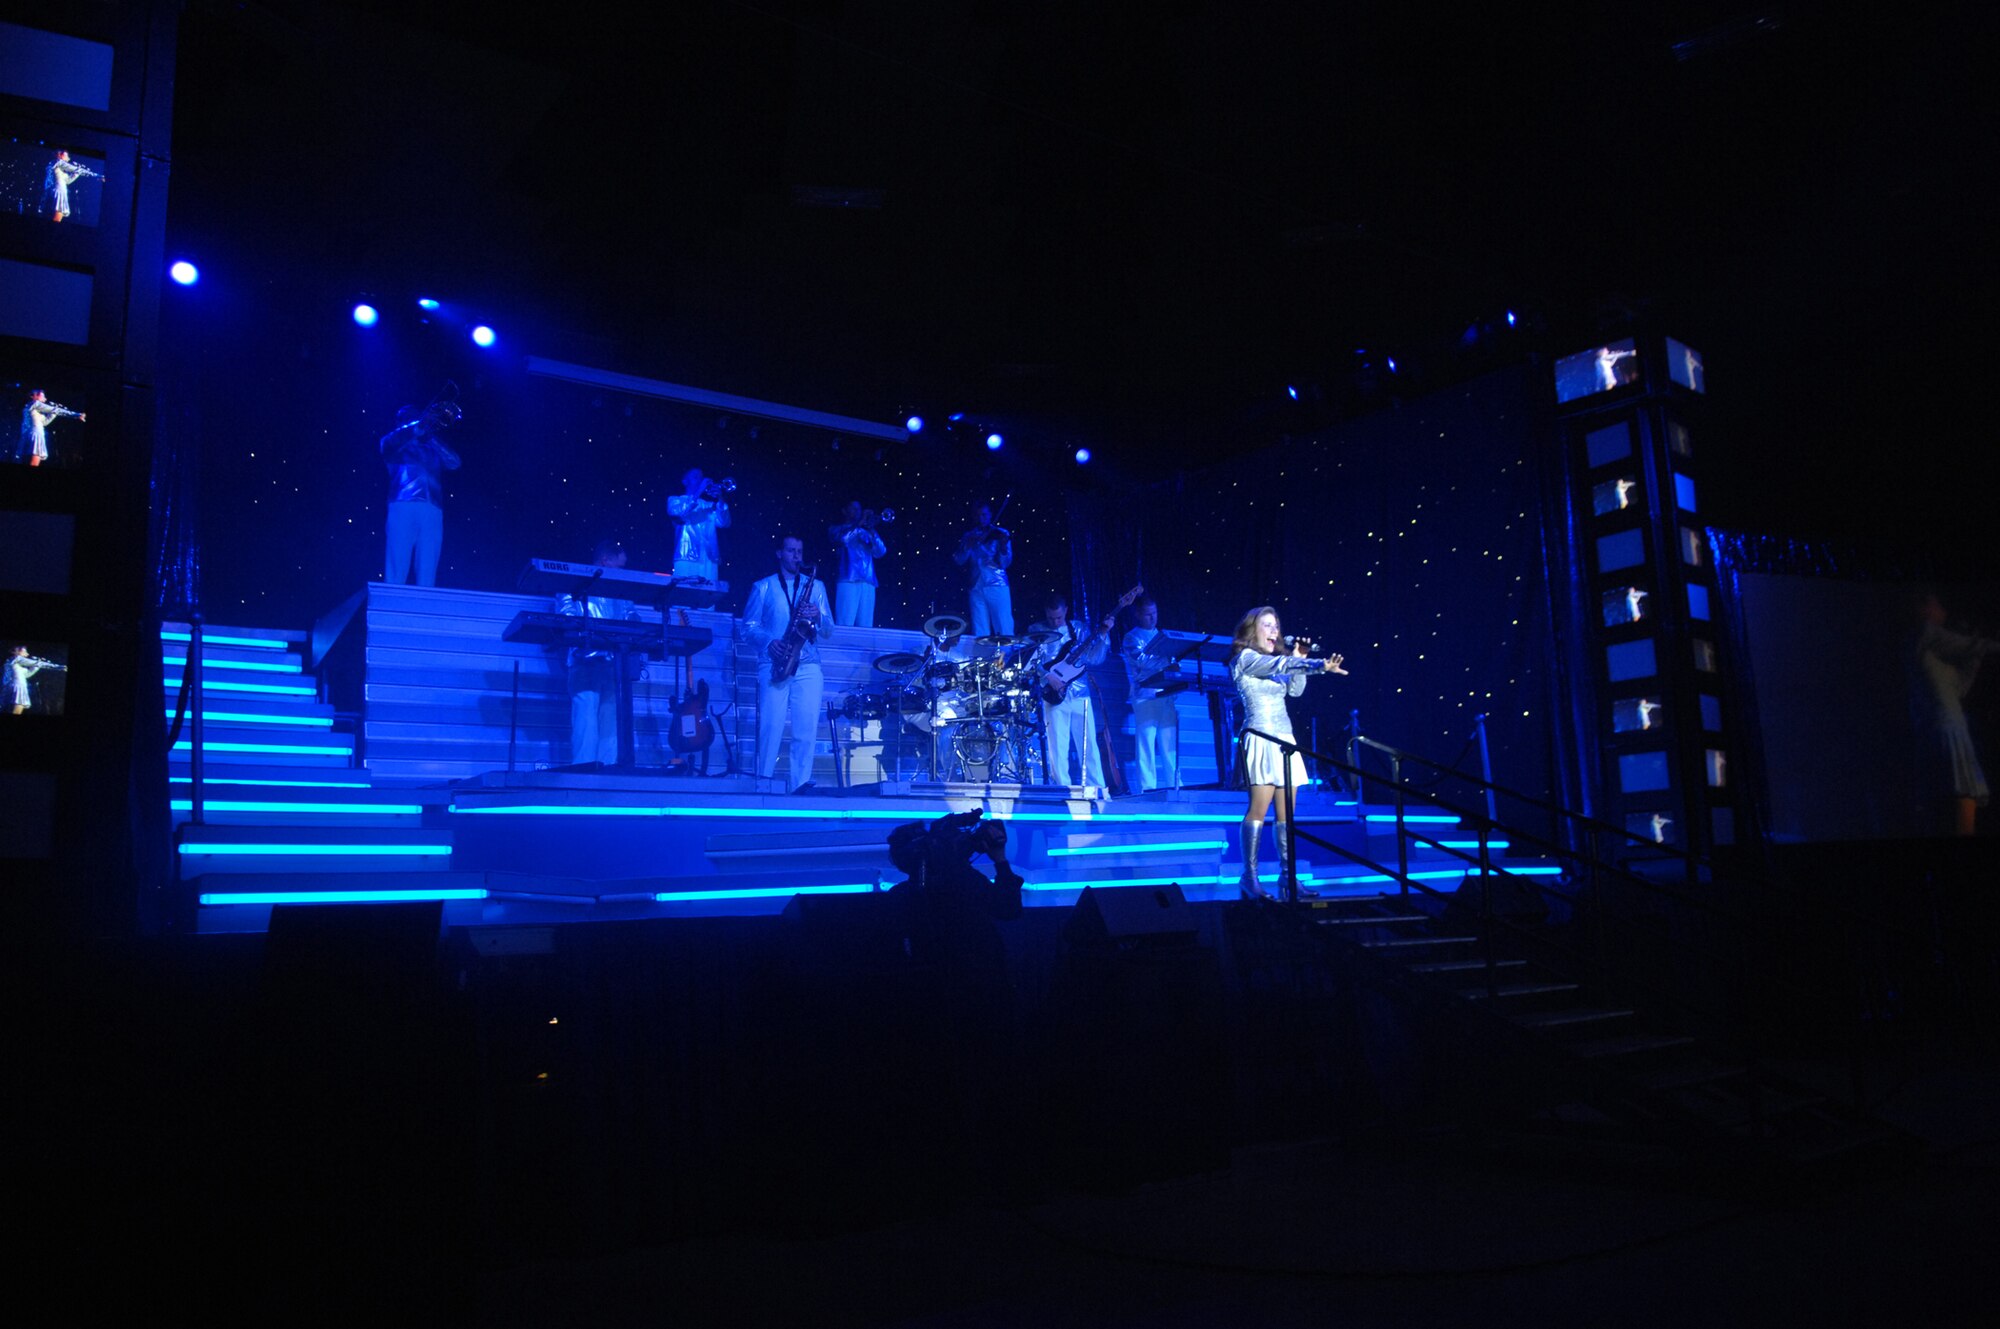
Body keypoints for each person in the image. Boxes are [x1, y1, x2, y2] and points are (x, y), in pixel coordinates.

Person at [1229, 606, 1345, 900]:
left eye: (1276, 626)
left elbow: (1295, 690)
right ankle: (1249, 876)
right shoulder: (1246, 659)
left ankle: (1287, 876)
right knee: (1259, 808)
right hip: (1260, 737)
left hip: (1285, 740)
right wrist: (1319, 665)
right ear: (1252, 630)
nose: (1274, 631)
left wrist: (1301, 659)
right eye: (1267, 625)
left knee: (1287, 814)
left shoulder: (1278, 661)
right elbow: (1278, 667)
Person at [742, 535, 833, 792]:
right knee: (771, 726)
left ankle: (800, 784)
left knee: (806, 728)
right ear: (779, 554)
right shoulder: (763, 587)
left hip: (808, 664)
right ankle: (764, 782)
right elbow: (747, 628)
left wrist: (819, 616)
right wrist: (769, 642)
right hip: (775, 663)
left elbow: (828, 630)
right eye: (791, 551)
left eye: (799, 551)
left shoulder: (816, 587)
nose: (796, 556)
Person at [1910, 592, 2000, 836]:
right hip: (1944, 731)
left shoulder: (1937, 657)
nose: (1942, 609)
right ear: (1921, 606)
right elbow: (1966, 645)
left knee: (1956, 803)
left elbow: (1959, 687)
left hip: (1950, 729)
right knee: (1958, 800)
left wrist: (1975, 657)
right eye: (1935, 602)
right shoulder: (1923, 634)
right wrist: (1982, 645)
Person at [557, 540, 641, 766]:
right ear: (605, 561)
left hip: (613, 664)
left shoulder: (620, 591)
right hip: (584, 662)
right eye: (620, 567)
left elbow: (631, 615)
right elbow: (566, 617)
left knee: (611, 723)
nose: (623, 572)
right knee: (586, 720)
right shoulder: (573, 582)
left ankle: (608, 774)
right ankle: (584, 775)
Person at [379, 399, 461, 586]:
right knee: (397, 564)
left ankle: (424, 606)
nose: (411, 421)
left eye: (414, 418)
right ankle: (393, 606)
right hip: (402, 504)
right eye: (406, 419)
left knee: (428, 568)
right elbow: (390, 443)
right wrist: (419, 426)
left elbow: (455, 462)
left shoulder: (431, 448)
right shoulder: (392, 444)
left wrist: (430, 436)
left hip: (432, 509)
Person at [1032, 594, 1111, 788]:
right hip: (1053, 695)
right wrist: (1048, 677)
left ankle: (1097, 788)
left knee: (1088, 744)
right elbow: (1030, 662)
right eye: (1051, 618)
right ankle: (1062, 789)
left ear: (1066, 610)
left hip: (1080, 693)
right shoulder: (1036, 631)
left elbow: (1095, 658)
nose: (1055, 622)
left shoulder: (1079, 628)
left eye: (1058, 618)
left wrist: (1103, 633)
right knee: (1058, 746)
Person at [1121, 594, 1180, 792]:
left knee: (1169, 744)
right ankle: (1147, 787)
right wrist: (1165, 661)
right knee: (1146, 742)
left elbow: (1173, 662)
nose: (1152, 618)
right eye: (1147, 614)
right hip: (1145, 696)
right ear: (1138, 614)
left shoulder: (1164, 636)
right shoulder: (1132, 637)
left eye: (1154, 613)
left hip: (1166, 694)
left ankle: (1175, 785)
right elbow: (1142, 662)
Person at [952, 502, 1013, 637]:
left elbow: (1005, 563)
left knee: (1004, 626)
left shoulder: (1001, 533)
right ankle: (982, 658)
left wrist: (1003, 547)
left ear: (990, 515)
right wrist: (967, 546)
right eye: (978, 515)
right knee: (980, 630)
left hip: (997, 583)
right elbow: (959, 560)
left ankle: (1006, 656)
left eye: (984, 515)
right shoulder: (969, 536)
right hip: (975, 586)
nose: (981, 519)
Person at [829, 501, 889, 627]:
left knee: (866, 627)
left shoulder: (866, 531)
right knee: (845, 624)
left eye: (859, 509)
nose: (857, 512)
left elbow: (881, 552)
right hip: (848, 579)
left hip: (868, 581)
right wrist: (860, 523)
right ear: (844, 511)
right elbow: (844, 539)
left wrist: (872, 530)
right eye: (853, 509)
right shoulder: (837, 529)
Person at [667, 469, 731, 583]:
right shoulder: (674, 500)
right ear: (685, 481)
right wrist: (699, 491)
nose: (700, 480)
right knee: (683, 595)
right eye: (695, 477)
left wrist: (720, 498)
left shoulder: (709, 505)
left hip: (710, 558)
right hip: (686, 556)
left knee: (708, 597)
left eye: (701, 477)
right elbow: (679, 513)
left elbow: (724, 523)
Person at [18, 391, 82, 467]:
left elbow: (44, 422)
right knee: (34, 461)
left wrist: (54, 413)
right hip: (36, 434)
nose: (44, 398)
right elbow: (55, 410)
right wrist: (76, 415)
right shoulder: (35, 403)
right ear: (33, 396)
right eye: (41, 395)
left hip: (28, 435)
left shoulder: (29, 407)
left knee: (28, 459)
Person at [46, 150, 97, 224]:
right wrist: (96, 175)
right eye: (66, 156)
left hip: (60, 190)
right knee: (58, 215)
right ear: (60, 154)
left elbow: (67, 181)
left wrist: (76, 174)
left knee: (59, 215)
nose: (68, 158)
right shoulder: (57, 162)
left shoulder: (59, 168)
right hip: (58, 191)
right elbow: (73, 168)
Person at [6, 646, 47, 715]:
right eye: (24, 651)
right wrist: (60, 667)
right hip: (18, 688)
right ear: (16, 652)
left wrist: (37, 666)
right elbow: (38, 664)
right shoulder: (16, 659)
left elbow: (26, 675)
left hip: (15, 687)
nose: (27, 654)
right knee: (16, 711)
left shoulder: (17, 665)